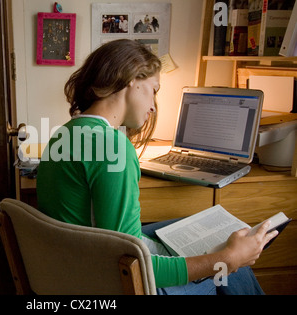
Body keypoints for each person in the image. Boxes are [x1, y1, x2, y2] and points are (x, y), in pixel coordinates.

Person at [36, 39, 278, 295]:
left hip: (72, 269)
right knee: (234, 267)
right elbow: (136, 266)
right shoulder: (113, 147)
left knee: (196, 230)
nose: (153, 105)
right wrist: (227, 261)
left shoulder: (64, 133)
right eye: (153, 89)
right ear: (132, 78)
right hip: (111, 284)